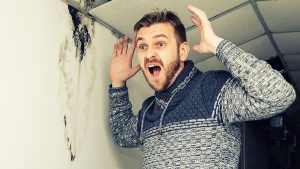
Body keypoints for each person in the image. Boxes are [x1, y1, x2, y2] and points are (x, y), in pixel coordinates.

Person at [108, 5, 296, 169]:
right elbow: (122, 135)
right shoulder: (149, 110)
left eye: (160, 44)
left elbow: (279, 95)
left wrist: (219, 46)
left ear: (182, 51)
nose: (149, 54)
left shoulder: (211, 90)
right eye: (143, 47)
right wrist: (118, 83)